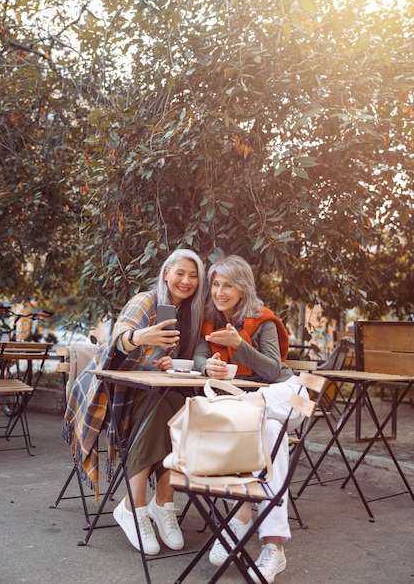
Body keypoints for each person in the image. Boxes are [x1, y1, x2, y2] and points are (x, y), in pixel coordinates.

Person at [62, 249, 205, 556]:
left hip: (154, 388)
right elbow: (120, 337)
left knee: (182, 410)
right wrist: (140, 338)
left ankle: (164, 503)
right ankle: (133, 506)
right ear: (166, 273)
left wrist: (170, 362)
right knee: (158, 414)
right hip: (118, 389)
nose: (186, 280)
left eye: (193, 276)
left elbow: (170, 359)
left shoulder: (187, 314)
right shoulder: (147, 300)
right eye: (180, 272)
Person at [193, 254, 308, 583]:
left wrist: (239, 345)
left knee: (253, 411)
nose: (219, 291)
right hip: (259, 416)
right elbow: (202, 355)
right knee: (270, 433)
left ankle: (239, 517)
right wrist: (207, 367)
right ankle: (274, 547)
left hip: (291, 396)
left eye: (227, 284)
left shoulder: (262, 319)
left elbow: (273, 369)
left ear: (242, 288)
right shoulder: (211, 320)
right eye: (215, 284)